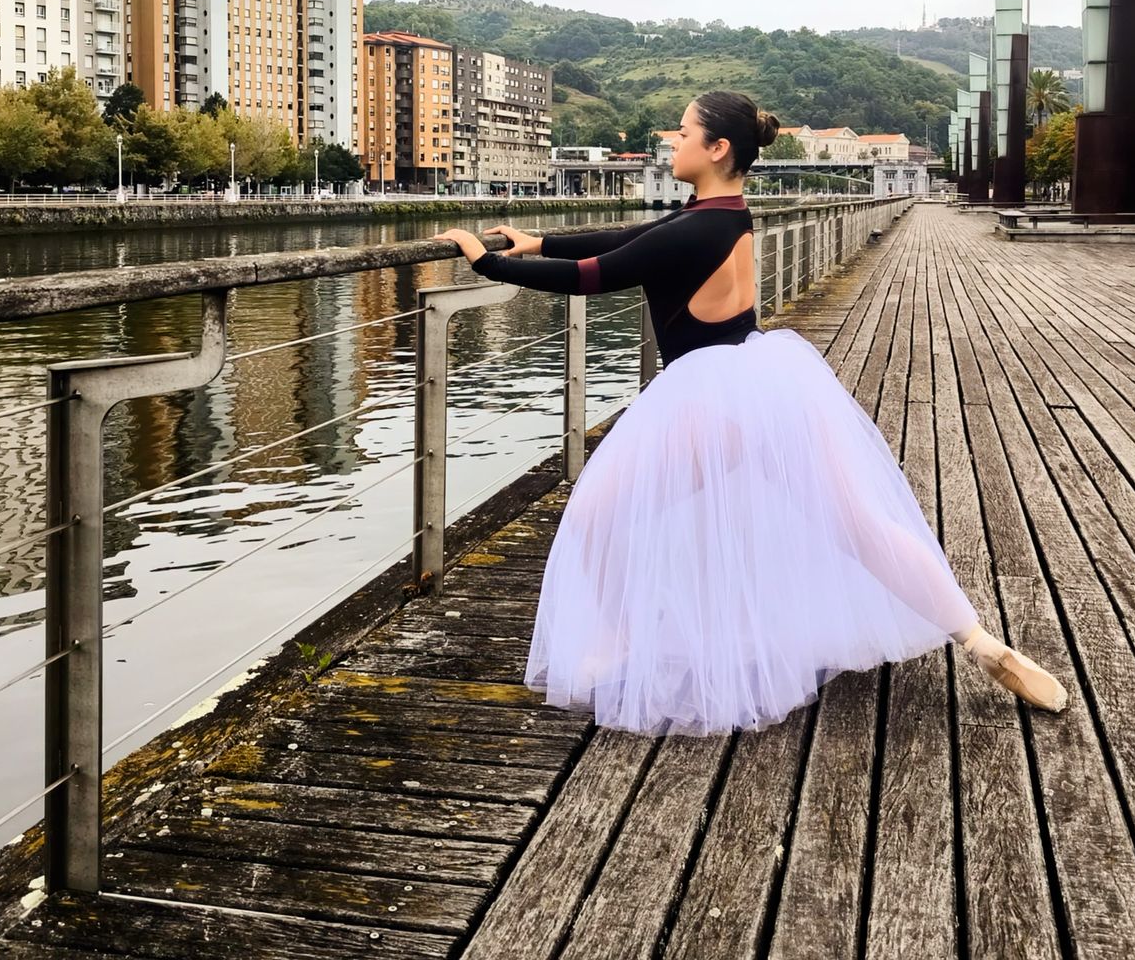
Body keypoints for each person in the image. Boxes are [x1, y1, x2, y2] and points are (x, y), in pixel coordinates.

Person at [432, 90, 1067, 736]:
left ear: (717, 148)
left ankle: (620, 645)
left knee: (596, 516)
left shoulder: (694, 229)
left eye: (683, 133)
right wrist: (539, 240)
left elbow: (595, 276)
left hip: (708, 396)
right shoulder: (724, 214)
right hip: (770, 382)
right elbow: (630, 239)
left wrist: (488, 262)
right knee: (858, 523)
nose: (672, 142)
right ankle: (979, 640)